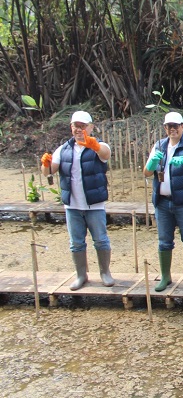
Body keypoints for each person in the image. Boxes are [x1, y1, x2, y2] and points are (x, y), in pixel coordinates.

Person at [40, 111, 114, 291]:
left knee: (101, 240)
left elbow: (106, 155)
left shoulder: (99, 146)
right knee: (76, 242)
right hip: (72, 205)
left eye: (82, 126)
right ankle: (81, 275)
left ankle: (105, 272)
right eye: (75, 126)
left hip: (94, 204)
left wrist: (94, 146)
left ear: (90, 127)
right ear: (71, 128)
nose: (79, 129)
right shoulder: (63, 149)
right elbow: (49, 172)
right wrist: (46, 164)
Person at [142, 112, 183, 292]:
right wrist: (152, 164)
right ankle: (165, 276)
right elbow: (146, 172)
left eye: (176, 126)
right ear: (164, 128)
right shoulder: (159, 146)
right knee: (164, 241)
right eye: (169, 126)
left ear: (182, 127)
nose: (172, 129)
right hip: (162, 203)